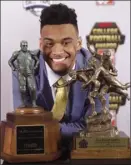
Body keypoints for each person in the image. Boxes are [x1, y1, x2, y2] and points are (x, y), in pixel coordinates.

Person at [12, 3, 109, 138]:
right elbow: (25, 126)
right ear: (41, 44)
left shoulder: (97, 68)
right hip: (37, 152)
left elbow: (95, 127)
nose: (57, 52)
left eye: (66, 42)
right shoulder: (23, 67)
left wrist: (47, 129)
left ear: (79, 44)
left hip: (84, 152)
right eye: (49, 43)